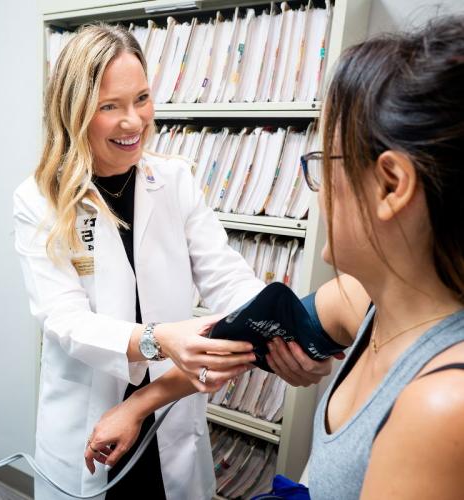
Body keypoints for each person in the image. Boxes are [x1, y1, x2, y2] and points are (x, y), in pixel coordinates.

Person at [86, 15, 464, 500]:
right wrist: (138, 406)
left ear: (392, 185)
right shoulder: (357, 301)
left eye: (328, 161)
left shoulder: (440, 406)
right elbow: (248, 330)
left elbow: (231, 285)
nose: (319, 189)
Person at [13, 24, 331, 500]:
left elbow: (223, 273)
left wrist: (279, 330)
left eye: (141, 98)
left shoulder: (174, 180)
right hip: (88, 417)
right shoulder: (39, 200)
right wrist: (157, 339)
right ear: (74, 113)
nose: (134, 121)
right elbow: (64, 320)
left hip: (168, 416)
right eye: (110, 107)